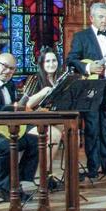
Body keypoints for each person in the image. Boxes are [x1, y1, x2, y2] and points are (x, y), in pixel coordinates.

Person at [67, 2, 106, 180]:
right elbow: (72, 59)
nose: (104, 20)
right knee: (92, 128)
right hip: (91, 88)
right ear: (91, 18)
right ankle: (92, 167)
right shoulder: (81, 37)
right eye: (100, 17)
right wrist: (89, 67)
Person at [0, 53, 39, 203]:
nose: (8, 71)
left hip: (7, 129)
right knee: (9, 145)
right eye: (4, 67)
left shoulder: (10, 84)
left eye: (12, 69)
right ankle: (1, 187)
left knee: (36, 142)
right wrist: (10, 108)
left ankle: (18, 182)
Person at [20, 47, 65, 191]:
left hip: (51, 119)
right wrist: (43, 92)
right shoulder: (35, 78)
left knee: (72, 130)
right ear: (42, 64)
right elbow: (26, 105)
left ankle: (68, 174)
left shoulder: (60, 79)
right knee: (54, 134)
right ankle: (45, 176)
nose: (51, 64)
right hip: (32, 121)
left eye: (54, 61)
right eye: (48, 61)